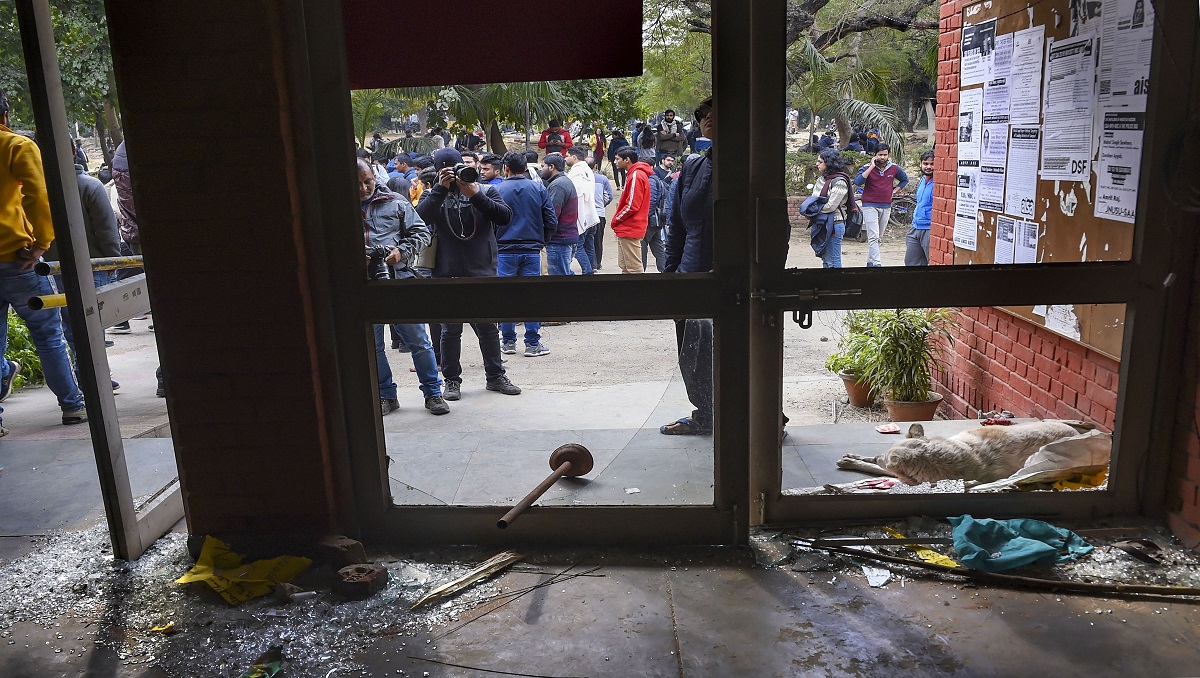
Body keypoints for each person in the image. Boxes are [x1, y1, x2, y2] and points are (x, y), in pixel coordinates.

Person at [0, 88, 88, 434]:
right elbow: (39, 195)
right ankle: (72, 406)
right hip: (18, 261)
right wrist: (40, 244)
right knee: (49, 336)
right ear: (5, 115)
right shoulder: (16, 146)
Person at [416, 148, 520, 400]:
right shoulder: (433, 194)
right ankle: (451, 381)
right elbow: (418, 219)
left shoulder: (485, 191)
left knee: (487, 327)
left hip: (482, 272)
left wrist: (474, 195)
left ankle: (495, 377)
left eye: (460, 167)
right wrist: (440, 189)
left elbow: (505, 217)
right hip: (445, 273)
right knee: (450, 330)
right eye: (449, 169)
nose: (457, 174)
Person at [357, 159, 449, 416]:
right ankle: (386, 395)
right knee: (372, 346)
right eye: (358, 184)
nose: (364, 188)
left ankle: (433, 393)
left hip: (398, 279)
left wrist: (401, 251)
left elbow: (422, 234)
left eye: (368, 182)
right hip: (362, 284)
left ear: (375, 178)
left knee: (419, 341)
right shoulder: (336, 205)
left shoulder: (396, 201)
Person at [660, 96, 715, 436]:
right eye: (704, 114)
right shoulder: (694, 167)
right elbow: (676, 225)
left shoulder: (758, 164)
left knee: (746, 348)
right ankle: (706, 413)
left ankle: (763, 414)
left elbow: (774, 230)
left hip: (739, 278)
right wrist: (671, 278)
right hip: (692, 274)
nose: (709, 118)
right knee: (693, 354)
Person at [51, 159, 123, 388]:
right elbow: (106, 228)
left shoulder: (41, 188)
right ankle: (94, 378)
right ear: (73, 151)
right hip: (91, 266)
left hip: (53, 268)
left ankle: (83, 376)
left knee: (69, 325)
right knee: (93, 325)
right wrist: (113, 261)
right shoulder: (90, 186)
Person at [494, 151, 556, 357]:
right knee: (531, 296)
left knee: (505, 297)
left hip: (504, 250)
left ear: (506, 169)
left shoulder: (497, 189)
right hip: (531, 250)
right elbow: (551, 221)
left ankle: (508, 341)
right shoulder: (538, 188)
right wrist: (541, 241)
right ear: (526, 168)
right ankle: (532, 343)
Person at [853, 143, 909, 267]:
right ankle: (877, 264)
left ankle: (870, 262)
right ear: (875, 155)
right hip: (869, 205)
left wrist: (894, 191)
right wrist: (872, 166)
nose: (882, 157)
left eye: (885, 155)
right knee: (873, 236)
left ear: (888, 155)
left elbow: (905, 179)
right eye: (880, 155)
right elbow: (857, 181)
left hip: (886, 205)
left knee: (878, 237)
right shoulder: (867, 167)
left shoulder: (894, 168)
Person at [609, 147, 653, 274]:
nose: (615, 161)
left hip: (630, 227)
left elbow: (632, 205)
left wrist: (616, 220)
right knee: (625, 266)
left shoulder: (636, 175)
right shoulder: (634, 174)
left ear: (627, 160)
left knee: (633, 268)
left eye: (617, 159)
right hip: (628, 227)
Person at [807, 149, 851, 269]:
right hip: (821, 222)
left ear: (829, 163)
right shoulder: (822, 179)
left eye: (820, 161)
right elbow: (814, 199)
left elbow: (831, 206)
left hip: (834, 224)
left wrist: (813, 211)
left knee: (834, 261)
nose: (817, 164)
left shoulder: (840, 181)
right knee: (826, 261)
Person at [539, 153, 579, 276]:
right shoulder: (562, 181)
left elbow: (552, 215)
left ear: (552, 167)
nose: (541, 169)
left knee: (559, 280)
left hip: (560, 240)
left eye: (543, 166)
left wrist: (544, 236)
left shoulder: (558, 185)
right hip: (565, 237)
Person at [566, 147, 600, 275]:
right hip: (591, 214)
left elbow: (577, 195)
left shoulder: (577, 172)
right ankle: (591, 269)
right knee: (588, 246)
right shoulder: (587, 170)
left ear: (574, 157)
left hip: (582, 215)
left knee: (578, 247)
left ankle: (588, 271)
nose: (565, 158)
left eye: (567, 155)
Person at [906, 150, 935, 267]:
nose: (928, 167)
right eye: (925, 164)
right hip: (915, 226)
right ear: (920, 164)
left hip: (929, 229)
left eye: (932, 164)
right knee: (910, 262)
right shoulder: (923, 180)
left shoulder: (939, 182)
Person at [586, 156, 614, 270]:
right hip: (599, 213)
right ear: (596, 166)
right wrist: (602, 204)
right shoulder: (603, 179)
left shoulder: (579, 178)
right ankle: (597, 263)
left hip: (586, 214)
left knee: (587, 239)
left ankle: (589, 263)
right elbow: (610, 196)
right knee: (598, 239)